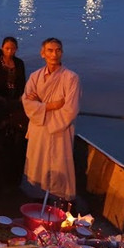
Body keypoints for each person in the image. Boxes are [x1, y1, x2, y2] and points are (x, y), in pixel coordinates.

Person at [21, 37, 81, 199]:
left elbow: (70, 109)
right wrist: (50, 106)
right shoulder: (35, 77)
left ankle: (59, 199)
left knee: (58, 164)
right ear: (43, 54)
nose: (54, 54)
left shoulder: (71, 78)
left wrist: (41, 108)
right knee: (37, 164)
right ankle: (35, 195)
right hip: (38, 129)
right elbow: (27, 102)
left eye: (58, 50)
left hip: (59, 130)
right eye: (50, 50)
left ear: (62, 53)